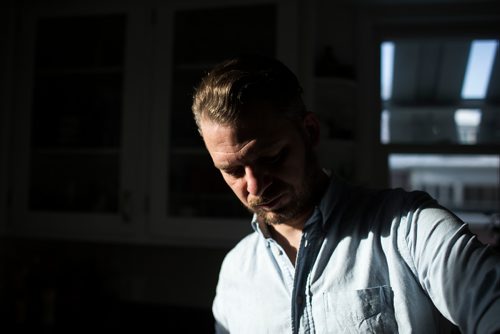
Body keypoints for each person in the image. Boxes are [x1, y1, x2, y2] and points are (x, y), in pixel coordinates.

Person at [191, 54, 500, 334]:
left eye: (272, 158)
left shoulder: (410, 229)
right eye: (233, 171)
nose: (255, 187)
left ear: (310, 132)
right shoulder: (235, 271)